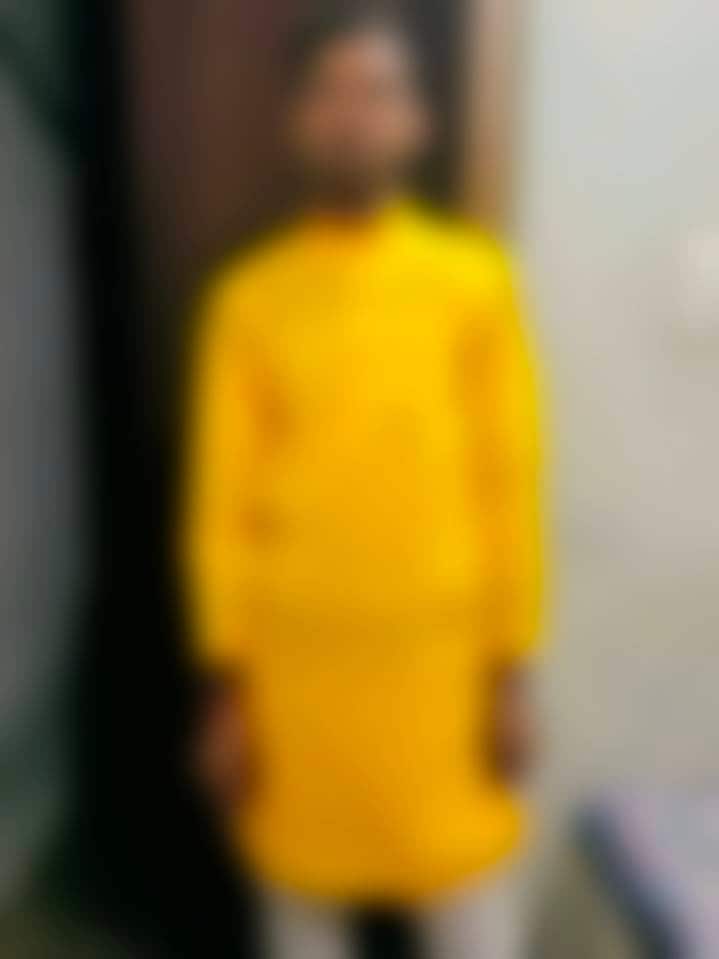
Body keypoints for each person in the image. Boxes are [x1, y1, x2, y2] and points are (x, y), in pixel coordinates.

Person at [182, 4, 545, 957]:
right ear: (296, 120)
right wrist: (226, 689)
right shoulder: (249, 302)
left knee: (473, 915)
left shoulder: (474, 282)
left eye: (378, 91)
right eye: (330, 92)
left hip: (443, 670)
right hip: (296, 676)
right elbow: (219, 507)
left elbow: (509, 480)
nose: (353, 114)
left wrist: (510, 671)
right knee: (300, 914)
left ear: (416, 121)